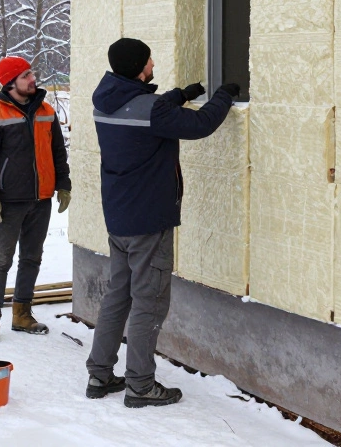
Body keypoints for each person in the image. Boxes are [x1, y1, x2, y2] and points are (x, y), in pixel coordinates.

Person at [85, 37, 239, 408]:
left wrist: (179, 94)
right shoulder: (149, 110)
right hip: (148, 220)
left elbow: (147, 110)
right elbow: (201, 124)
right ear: (139, 67)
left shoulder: (105, 100)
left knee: (118, 297)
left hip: (119, 218)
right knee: (149, 303)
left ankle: (100, 374)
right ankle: (140, 384)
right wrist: (225, 94)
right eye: (149, 60)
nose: (153, 63)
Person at [0, 55, 71, 343]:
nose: (32, 79)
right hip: (8, 202)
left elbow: (58, 153)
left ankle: (22, 314)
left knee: (32, 258)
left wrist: (63, 184)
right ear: (11, 82)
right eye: (26, 75)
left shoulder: (46, 111)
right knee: (1, 260)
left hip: (41, 199)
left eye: (32, 73)